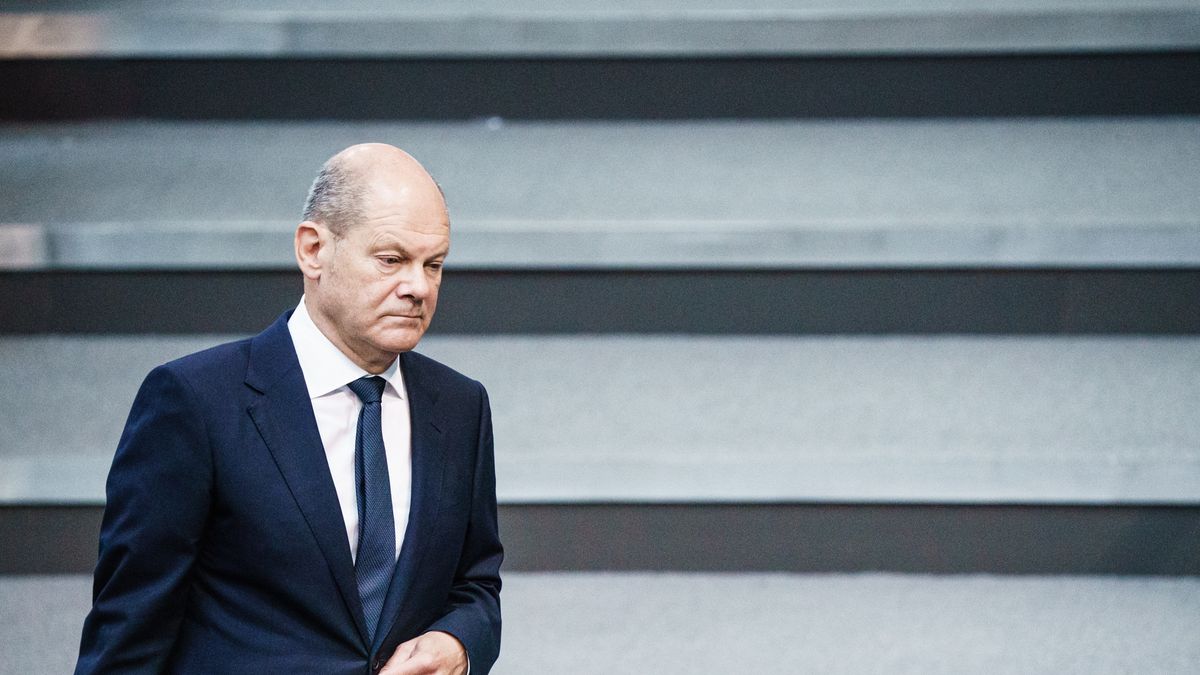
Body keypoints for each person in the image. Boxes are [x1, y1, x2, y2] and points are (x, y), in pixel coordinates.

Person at [75, 144, 502, 674]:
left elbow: (476, 583)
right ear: (313, 250)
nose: (418, 287)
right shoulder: (195, 402)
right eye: (392, 260)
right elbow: (129, 632)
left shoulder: (461, 407)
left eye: (433, 265)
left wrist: (458, 645)